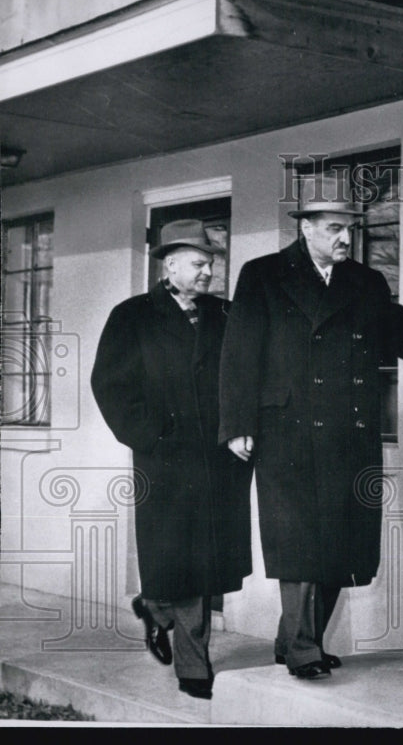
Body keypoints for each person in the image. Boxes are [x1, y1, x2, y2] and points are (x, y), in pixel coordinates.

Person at [218, 187, 403, 680]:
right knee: (300, 541)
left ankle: (293, 639)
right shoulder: (263, 275)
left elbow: (396, 327)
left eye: (349, 228)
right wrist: (237, 424)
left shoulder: (366, 281)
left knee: (338, 540)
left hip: (349, 429)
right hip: (287, 430)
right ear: (305, 228)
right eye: (334, 228)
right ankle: (302, 648)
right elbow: (239, 352)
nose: (345, 238)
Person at [91, 219, 253, 700]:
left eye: (211, 264)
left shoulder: (226, 315)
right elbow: (110, 384)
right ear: (171, 263)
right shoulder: (133, 315)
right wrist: (151, 435)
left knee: (206, 561)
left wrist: (240, 430)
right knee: (176, 555)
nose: (208, 272)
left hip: (220, 458)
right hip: (165, 459)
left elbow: (246, 375)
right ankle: (193, 662)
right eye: (200, 264)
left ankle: (155, 608)